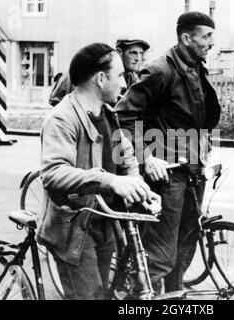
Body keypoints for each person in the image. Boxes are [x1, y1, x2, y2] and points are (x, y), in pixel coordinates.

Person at [36, 43, 157, 300]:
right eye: (121, 75)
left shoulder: (108, 115)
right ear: (101, 79)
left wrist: (137, 186)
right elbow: (54, 173)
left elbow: (126, 157)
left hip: (104, 224)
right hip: (74, 229)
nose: (125, 84)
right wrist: (109, 180)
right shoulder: (62, 119)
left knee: (108, 294)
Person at [115, 11, 221, 294]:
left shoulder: (196, 67)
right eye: (206, 36)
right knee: (161, 255)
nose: (212, 42)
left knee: (186, 244)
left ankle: (173, 298)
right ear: (187, 38)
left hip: (193, 172)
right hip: (167, 176)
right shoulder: (161, 70)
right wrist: (147, 158)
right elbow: (123, 116)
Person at [48, 39, 150, 106]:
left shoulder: (132, 79)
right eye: (133, 53)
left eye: (141, 53)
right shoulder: (90, 74)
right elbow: (57, 103)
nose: (138, 58)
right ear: (119, 52)